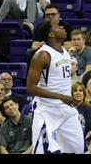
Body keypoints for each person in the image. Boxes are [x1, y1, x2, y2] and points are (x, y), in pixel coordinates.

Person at [26, 20, 87, 154]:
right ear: (51, 34)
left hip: (66, 110)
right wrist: (61, 97)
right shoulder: (42, 55)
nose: (63, 27)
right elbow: (30, 88)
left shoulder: (64, 51)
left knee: (80, 150)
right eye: (59, 26)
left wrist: (64, 98)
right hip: (46, 111)